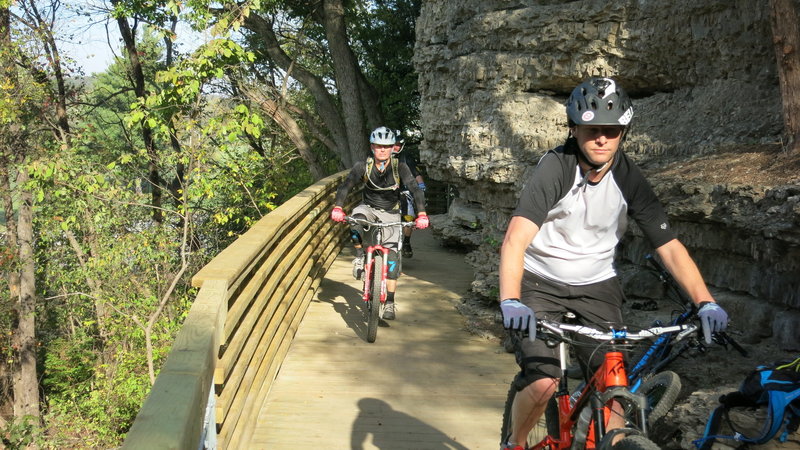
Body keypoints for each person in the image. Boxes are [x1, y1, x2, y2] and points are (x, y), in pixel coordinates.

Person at [498, 77, 730, 449]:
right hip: (539, 282)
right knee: (543, 382)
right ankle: (514, 442)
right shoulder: (556, 167)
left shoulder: (629, 177)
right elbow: (515, 239)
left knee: (615, 389)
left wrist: (706, 302)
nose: (602, 139)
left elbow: (668, 246)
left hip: (597, 285)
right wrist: (510, 299)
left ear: (624, 132)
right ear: (575, 130)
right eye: (593, 130)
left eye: (612, 130)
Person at [330, 126, 429, 320]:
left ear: (393, 148)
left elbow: (415, 189)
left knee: (392, 259)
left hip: (392, 213)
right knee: (356, 220)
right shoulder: (363, 166)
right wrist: (338, 207)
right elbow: (346, 185)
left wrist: (422, 213)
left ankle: (390, 302)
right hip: (368, 208)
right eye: (378, 146)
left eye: (387, 146)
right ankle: (359, 255)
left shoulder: (399, 166)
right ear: (372, 147)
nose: (382, 150)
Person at [393, 129, 427, 258]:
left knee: (409, 216)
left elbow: (416, 173)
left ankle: (406, 242)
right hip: (387, 192)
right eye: (393, 144)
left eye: (398, 145)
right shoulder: (382, 156)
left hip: (404, 190)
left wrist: (422, 187)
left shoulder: (406, 158)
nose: (395, 147)